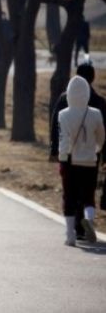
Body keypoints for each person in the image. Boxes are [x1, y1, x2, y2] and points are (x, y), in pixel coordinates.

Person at [50, 62, 106, 240]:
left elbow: (55, 129)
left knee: (70, 195)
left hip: (68, 157)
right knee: (88, 193)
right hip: (91, 157)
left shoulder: (63, 103)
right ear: (93, 78)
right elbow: (103, 133)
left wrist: (55, 150)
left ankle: (72, 233)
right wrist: (100, 151)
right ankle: (87, 222)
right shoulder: (99, 104)